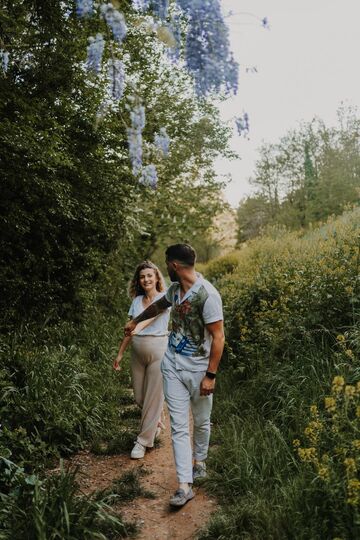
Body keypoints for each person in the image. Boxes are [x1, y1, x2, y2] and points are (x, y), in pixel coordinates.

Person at [124, 244, 225, 507]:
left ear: (174, 266)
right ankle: (184, 485)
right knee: (180, 426)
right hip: (172, 365)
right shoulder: (174, 290)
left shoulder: (208, 296)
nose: (165, 267)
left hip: (199, 369)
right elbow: (158, 307)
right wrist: (135, 321)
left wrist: (210, 375)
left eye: (167, 263)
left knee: (202, 422)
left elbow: (218, 337)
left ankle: (199, 461)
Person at [114, 260, 170, 459]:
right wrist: (120, 353)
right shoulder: (137, 301)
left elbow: (146, 320)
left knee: (152, 399)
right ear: (139, 280)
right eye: (142, 276)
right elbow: (129, 330)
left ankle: (142, 441)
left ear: (156, 278)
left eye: (149, 275)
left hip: (159, 350)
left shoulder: (165, 298)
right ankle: (155, 418)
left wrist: (135, 326)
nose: (146, 279)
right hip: (137, 352)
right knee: (139, 398)